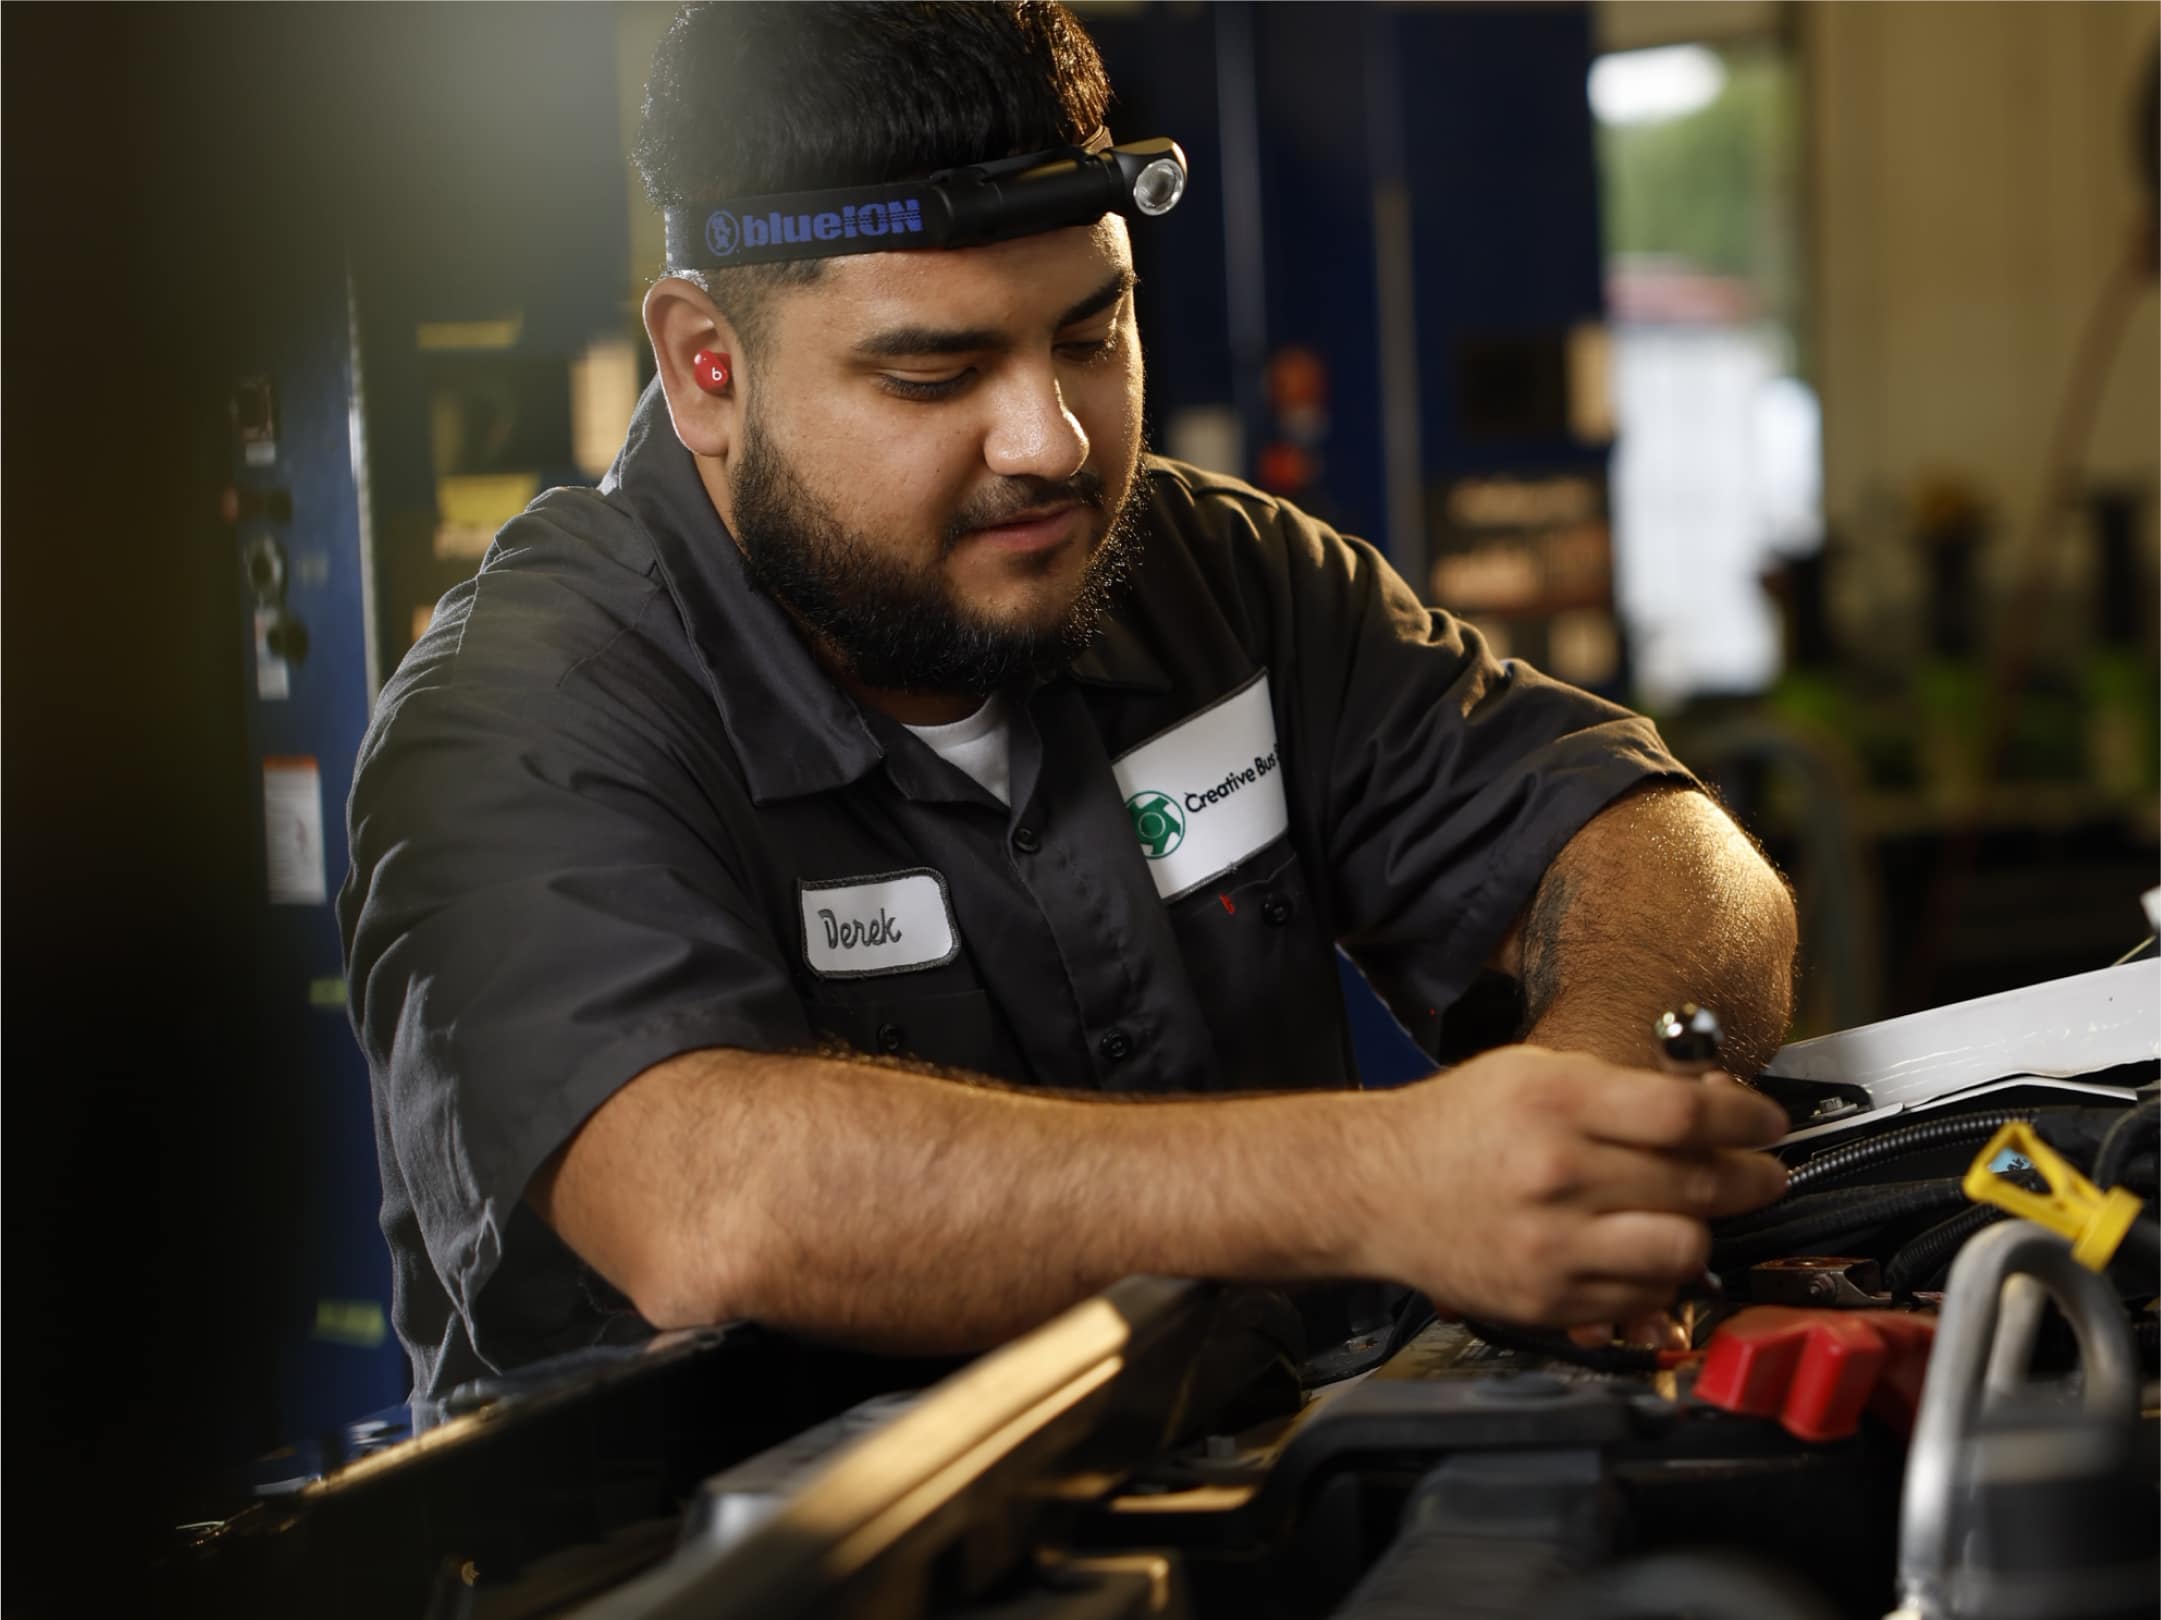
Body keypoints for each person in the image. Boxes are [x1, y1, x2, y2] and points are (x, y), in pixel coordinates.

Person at [340, 1, 1797, 1404]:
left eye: (1091, 336)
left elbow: (1662, 850)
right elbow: (710, 1200)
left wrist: (1599, 1118)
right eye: (934, 372)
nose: (1048, 441)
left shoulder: (1215, 577)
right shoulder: (519, 723)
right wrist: (1381, 1179)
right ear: (708, 368)